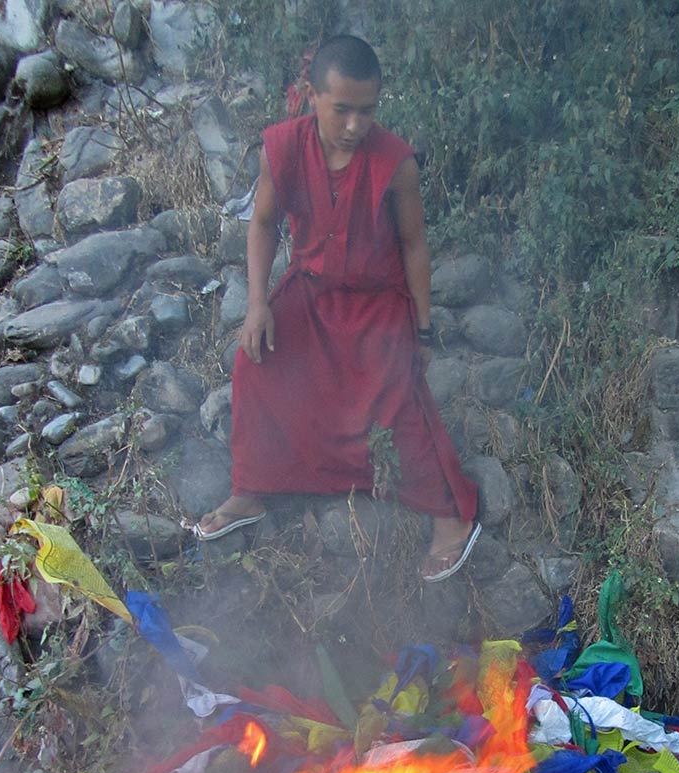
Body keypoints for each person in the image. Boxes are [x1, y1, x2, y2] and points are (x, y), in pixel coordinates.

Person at [195, 34, 481, 583]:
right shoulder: (282, 147)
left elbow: (415, 246)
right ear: (310, 95)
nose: (355, 125)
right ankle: (250, 492)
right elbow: (262, 224)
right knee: (256, 364)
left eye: (367, 110)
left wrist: (420, 332)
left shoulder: (395, 162)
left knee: (397, 398)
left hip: (377, 304)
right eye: (342, 109)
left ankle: (449, 517)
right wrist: (258, 303)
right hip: (312, 292)